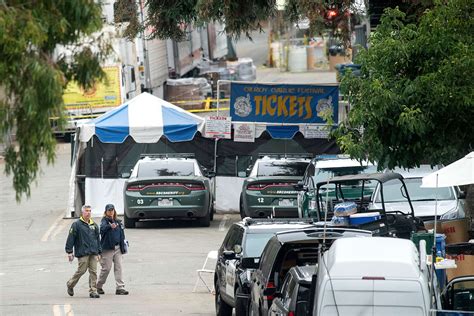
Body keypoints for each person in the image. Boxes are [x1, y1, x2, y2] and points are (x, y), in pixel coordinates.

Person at [65, 205, 102, 298]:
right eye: (86, 211)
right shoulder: (77, 224)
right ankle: (70, 284)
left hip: (93, 252)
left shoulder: (94, 225)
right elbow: (71, 238)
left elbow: (98, 239)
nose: (88, 213)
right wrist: (69, 251)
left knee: (93, 271)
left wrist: (99, 252)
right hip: (83, 252)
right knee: (81, 270)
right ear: (82, 212)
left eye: (90, 211)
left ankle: (93, 290)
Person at [96, 204, 129, 295]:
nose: (111, 212)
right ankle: (98, 286)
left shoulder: (118, 221)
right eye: (109, 210)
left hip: (118, 248)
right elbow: (101, 230)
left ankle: (120, 287)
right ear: (106, 212)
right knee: (106, 268)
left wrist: (124, 246)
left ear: (114, 211)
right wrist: (110, 226)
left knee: (119, 267)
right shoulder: (104, 221)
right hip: (107, 249)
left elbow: (122, 234)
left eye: (112, 210)